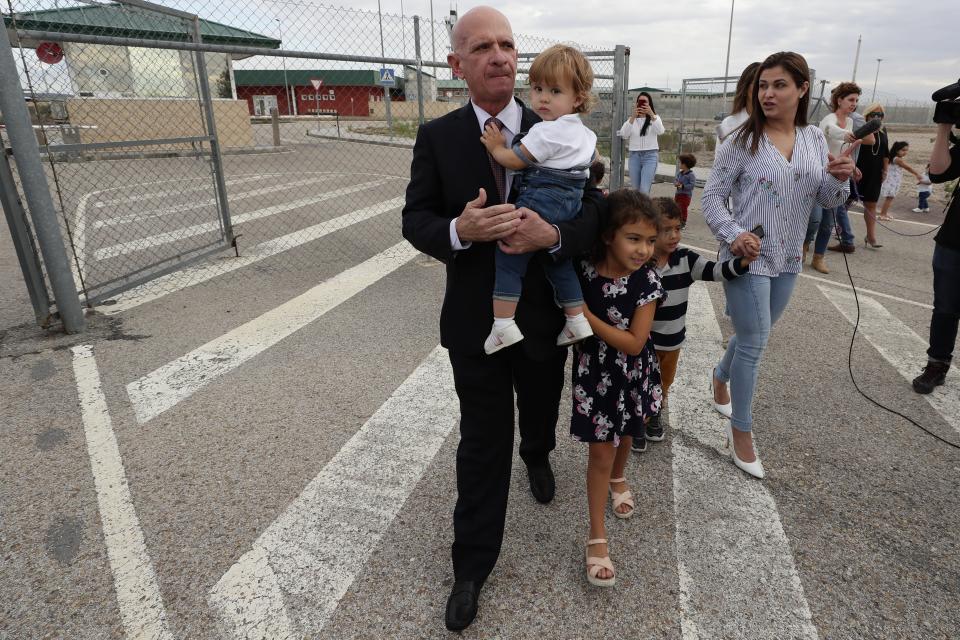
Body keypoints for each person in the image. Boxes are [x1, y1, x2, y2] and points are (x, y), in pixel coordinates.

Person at [400, 7, 604, 631]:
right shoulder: (438, 136)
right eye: (482, 46)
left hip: (543, 317)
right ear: (457, 64)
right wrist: (459, 230)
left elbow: (596, 208)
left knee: (539, 405)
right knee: (482, 437)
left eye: (507, 45)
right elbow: (416, 219)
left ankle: (537, 452)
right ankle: (471, 565)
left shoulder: (558, 123)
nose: (499, 55)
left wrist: (558, 234)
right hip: (474, 319)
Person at [701, 51, 856, 479]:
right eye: (762, 85)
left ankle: (718, 375)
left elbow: (825, 198)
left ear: (802, 89)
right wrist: (735, 236)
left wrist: (840, 179)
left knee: (755, 332)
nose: (767, 93)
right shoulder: (741, 140)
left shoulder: (811, 139)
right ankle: (742, 432)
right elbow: (711, 199)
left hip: (790, 257)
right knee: (755, 342)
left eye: (779, 85)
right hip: (747, 257)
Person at [569, 188, 663, 587]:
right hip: (595, 374)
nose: (643, 249)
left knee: (627, 433)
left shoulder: (646, 280)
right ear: (608, 235)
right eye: (634, 238)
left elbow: (634, 342)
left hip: (632, 372)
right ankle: (596, 535)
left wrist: (586, 315)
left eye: (650, 241)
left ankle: (619, 479)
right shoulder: (584, 268)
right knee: (599, 452)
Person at [480, 44, 598, 354]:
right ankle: (575, 319)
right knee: (557, 261)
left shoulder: (546, 132)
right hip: (568, 204)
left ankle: (503, 325)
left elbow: (515, 161)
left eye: (555, 91)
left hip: (543, 198)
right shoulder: (585, 134)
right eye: (537, 88)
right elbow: (593, 161)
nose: (543, 97)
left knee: (508, 255)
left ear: (578, 98)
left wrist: (495, 146)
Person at [633, 197, 752, 453]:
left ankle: (654, 415)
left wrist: (742, 263)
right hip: (643, 343)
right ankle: (637, 424)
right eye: (667, 230)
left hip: (673, 342)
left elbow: (716, 271)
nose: (674, 235)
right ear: (651, 231)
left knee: (664, 384)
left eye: (678, 228)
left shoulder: (685, 260)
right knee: (639, 383)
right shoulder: (640, 262)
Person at [912, 121, 960, 394]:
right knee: (945, 308)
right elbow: (939, 172)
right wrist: (943, 127)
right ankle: (937, 365)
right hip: (955, 239)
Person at [805, 82, 868, 273]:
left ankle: (818, 258)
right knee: (814, 219)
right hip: (820, 174)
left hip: (837, 177)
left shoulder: (849, 121)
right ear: (839, 100)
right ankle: (803, 247)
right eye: (850, 99)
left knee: (828, 223)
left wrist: (853, 166)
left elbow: (843, 151)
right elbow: (829, 130)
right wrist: (847, 135)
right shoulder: (829, 119)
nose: (854, 103)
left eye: (856, 100)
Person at [854, 103, 889, 247]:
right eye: (873, 114)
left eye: (879, 115)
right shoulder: (861, 129)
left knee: (871, 203)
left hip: (875, 172)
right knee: (844, 201)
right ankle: (837, 229)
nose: (876, 117)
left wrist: (885, 170)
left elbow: (886, 152)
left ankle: (871, 236)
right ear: (867, 116)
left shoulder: (883, 131)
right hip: (858, 169)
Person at [619, 92, 664, 193]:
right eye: (640, 102)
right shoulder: (631, 120)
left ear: (650, 104)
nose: (643, 105)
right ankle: (639, 209)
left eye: (645, 102)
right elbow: (624, 134)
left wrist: (651, 114)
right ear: (636, 104)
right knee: (636, 190)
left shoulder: (655, 118)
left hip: (650, 156)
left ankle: (644, 208)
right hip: (634, 156)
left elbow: (660, 131)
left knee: (644, 189)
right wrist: (633, 117)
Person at [716, 61, 761, 144]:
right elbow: (719, 155)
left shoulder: (776, 123)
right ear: (744, 89)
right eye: (758, 84)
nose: (762, 90)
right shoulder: (727, 124)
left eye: (765, 85)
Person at [877, 141, 923, 220]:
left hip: (892, 180)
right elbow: (908, 168)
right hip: (892, 181)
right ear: (896, 150)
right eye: (903, 150)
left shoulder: (892, 157)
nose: (905, 152)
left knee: (889, 198)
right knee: (889, 198)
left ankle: (884, 213)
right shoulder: (897, 159)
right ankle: (882, 214)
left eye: (906, 150)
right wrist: (917, 174)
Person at [674, 153, 697, 227]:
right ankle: (677, 221)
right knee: (676, 207)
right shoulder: (680, 173)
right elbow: (676, 180)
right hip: (678, 194)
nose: (679, 164)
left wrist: (683, 186)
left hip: (686, 196)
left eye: (681, 162)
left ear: (685, 164)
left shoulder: (691, 175)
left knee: (683, 208)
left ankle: (683, 222)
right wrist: (676, 183)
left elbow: (692, 185)